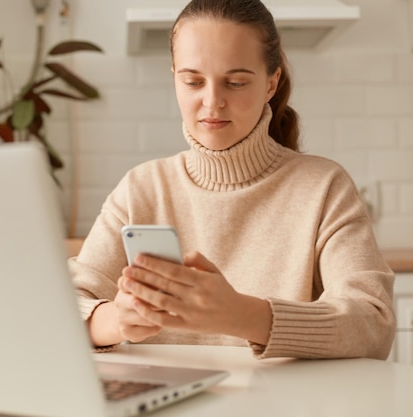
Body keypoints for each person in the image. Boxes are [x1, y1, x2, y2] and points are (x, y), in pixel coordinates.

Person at [68, 0, 395, 360]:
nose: (212, 102)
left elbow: (374, 323)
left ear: (272, 83)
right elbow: (64, 305)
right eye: (193, 81)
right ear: (174, 77)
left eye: (236, 82)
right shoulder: (141, 188)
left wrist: (243, 315)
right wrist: (115, 319)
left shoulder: (324, 187)